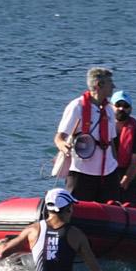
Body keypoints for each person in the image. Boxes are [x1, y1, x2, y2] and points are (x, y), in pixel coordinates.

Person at [55, 67, 120, 203]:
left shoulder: (109, 109)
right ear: (99, 85)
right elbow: (59, 138)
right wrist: (63, 146)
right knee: (76, 208)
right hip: (82, 171)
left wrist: (116, 165)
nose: (113, 86)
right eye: (110, 82)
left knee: (111, 209)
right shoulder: (76, 107)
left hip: (108, 172)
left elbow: (111, 142)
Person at [107, 90, 136, 204]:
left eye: (126, 106)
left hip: (127, 177)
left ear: (130, 109)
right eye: (118, 105)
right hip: (105, 174)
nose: (121, 108)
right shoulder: (103, 127)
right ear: (111, 106)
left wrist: (126, 180)